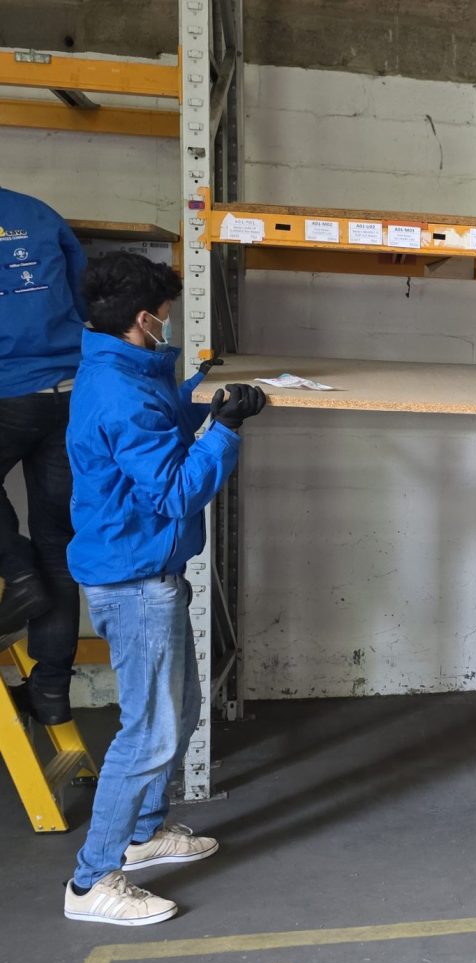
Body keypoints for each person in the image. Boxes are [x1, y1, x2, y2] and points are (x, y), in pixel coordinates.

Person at [62, 251, 266, 925]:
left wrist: (204, 393)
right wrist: (226, 433)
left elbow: (157, 427)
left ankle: (145, 835)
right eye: (166, 319)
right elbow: (178, 488)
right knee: (148, 732)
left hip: (146, 567)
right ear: (144, 320)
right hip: (134, 577)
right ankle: (92, 884)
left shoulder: (121, 367)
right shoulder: (119, 391)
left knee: (176, 710)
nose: (169, 329)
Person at [0, 185, 87, 724]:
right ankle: (51, 690)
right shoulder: (37, 211)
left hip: (8, 391)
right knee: (59, 543)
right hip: (69, 390)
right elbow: (85, 296)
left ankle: (18, 570)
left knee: (41, 558)